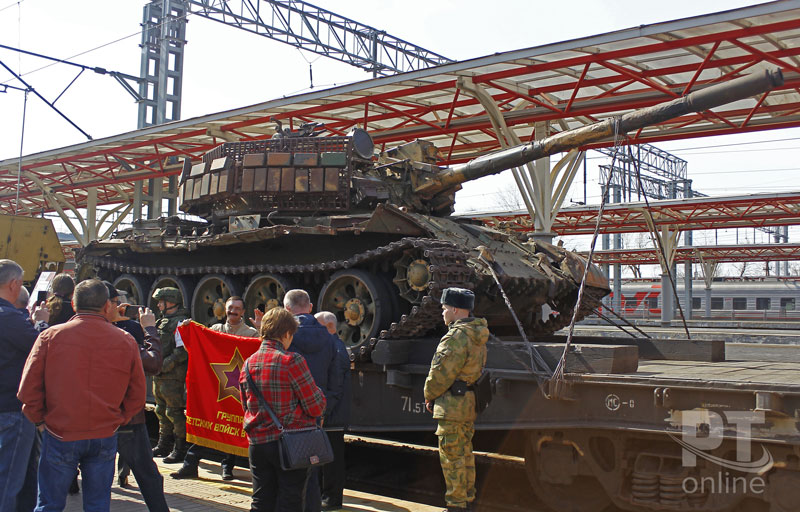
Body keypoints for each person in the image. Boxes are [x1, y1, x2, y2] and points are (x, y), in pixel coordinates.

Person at [17, 278, 146, 511]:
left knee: (49, 504)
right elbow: (138, 393)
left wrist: (39, 420)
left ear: (74, 305)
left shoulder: (49, 337)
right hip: (104, 432)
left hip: (60, 432)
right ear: (107, 306)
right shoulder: (125, 340)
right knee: (98, 504)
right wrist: (119, 419)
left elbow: (28, 389)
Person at [240, 307, 326, 512]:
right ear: (286, 333)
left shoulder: (248, 363)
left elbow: (245, 405)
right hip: (290, 443)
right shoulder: (291, 360)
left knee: (261, 500)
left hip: (258, 442)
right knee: (290, 500)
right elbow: (315, 406)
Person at [101, 283, 170, 511]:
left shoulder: (56, 333)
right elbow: (152, 363)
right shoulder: (123, 337)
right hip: (125, 417)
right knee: (148, 476)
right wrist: (149, 329)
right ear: (108, 305)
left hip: (84, 418)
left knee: (95, 479)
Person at [171, 295, 257, 481]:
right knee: (205, 420)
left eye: (237, 308)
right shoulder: (215, 330)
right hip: (215, 387)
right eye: (230, 307)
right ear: (224, 309)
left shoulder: (250, 334)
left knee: (234, 426)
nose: (233, 311)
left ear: (242, 312)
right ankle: (190, 464)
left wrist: (260, 329)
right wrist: (189, 330)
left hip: (238, 390)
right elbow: (198, 347)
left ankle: (228, 465)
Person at [424, 288, 489, 512]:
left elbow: (441, 373)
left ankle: (456, 504)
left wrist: (429, 394)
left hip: (451, 404)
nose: (443, 313)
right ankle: (467, 499)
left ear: (454, 309)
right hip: (468, 402)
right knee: (465, 453)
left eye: (444, 309)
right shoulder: (478, 333)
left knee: (451, 457)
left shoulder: (456, 337)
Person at [283, 290, 342, 512]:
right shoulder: (329, 337)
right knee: (313, 461)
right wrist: (325, 404)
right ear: (310, 307)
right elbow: (337, 377)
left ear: (287, 309)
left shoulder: (287, 337)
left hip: (290, 409)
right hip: (317, 408)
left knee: (290, 464)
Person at [0, 260, 49, 512]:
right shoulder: (10, 319)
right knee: (8, 483)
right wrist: (40, 322)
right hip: (12, 410)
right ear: (14, 284)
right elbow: (40, 348)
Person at [314, 311, 352, 511]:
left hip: (332, 416)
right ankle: (326, 495)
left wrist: (323, 413)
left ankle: (332, 498)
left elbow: (335, 388)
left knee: (332, 460)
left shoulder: (335, 349)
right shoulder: (332, 346)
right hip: (330, 414)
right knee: (324, 458)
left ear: (329, 327)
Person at [151, 286, 190, 464]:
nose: (158, 305)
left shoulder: (180, 323)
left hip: (172, 375)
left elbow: (182, 352)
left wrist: (164, 365)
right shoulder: (162, 321)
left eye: (161, 301)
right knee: (160, 410)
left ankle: (180, 447)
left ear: (171, 302)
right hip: (160, 375)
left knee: (174, 412)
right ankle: (164, 443)